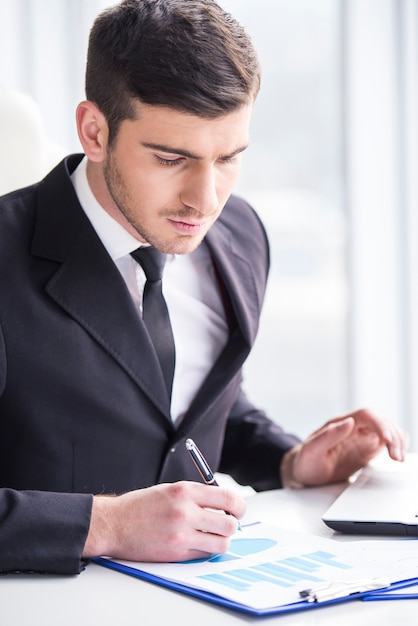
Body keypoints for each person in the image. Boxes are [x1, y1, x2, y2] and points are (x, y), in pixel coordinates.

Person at [0, 0, 408, 576]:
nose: (207, 199)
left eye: (230, 157)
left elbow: (185, 407)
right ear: (94, 131)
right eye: (172, 158)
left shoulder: (240, 236)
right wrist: (106, 526)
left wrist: (291, 462)